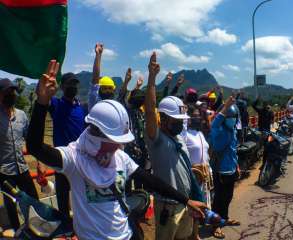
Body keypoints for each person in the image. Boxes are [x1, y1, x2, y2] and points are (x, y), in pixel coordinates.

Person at [26, 59, 207, 240]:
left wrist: (186, 200)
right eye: (115, 140)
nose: (120, 146)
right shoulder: (75, 158)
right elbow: (35, 147)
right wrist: (42, 103)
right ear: (98, 133)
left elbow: (151, 181)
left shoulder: (120, 157)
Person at [145, 52, 205, 240]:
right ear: (163, 119)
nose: (180, 124)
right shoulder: (157, 140)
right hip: (167, 207)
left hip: (186, 203)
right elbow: (149, 109)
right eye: (176, 120)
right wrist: (152, 79)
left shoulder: (179, 138)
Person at [0, 78, 39, 231]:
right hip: (4, 172)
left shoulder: (22, 115)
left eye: (13, 91)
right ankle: (18, 232)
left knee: (33, 200)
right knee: (10, 206)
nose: (12, 94)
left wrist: (39, 163)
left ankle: (35, 229)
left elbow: (31, 142)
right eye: (8, 92)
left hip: (22, 168)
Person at [48, 72, 87, 225]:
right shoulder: (56, 104)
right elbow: (43, 96)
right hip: (62, 160)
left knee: (82, 195)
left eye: (75, 84)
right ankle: (66, 226)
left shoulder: (82, 108)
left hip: (80, 161)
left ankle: (82, 224)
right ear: (62, 86)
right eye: (69, 84)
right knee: (63, 197)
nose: (73, 87)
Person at [210, 96, 241, 239]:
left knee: (228, 196)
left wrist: (237, 166)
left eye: (235, 117)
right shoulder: (219, 130)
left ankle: (225, 218)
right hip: (220, 171)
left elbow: (233, 151)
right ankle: (215, 225)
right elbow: (214, 124)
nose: (233, 119)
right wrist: (225, 109)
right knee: (219, 200)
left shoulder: (232, 130)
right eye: (230, 117)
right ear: (224, 118)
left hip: (231, 170)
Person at [117, 68, 151, 191]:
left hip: (141, 153)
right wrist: (126, 82)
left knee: (139, 184)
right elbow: (121, 97)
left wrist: (137, 87)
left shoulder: (139, 112)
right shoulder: (126, 110)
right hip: (129, 153)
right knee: (127, 183)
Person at [185, 105, 213, 240]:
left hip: (204, 174)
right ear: (188, 119)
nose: (197, 118)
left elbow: (205, 153)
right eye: (194, 116)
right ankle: (191, 234)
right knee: (193, 205)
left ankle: (195, 232)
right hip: (193, 175)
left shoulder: (200, 134)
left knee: (200, 204)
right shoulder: (184, 135)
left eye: (198, 116)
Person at [88, 43, 117, 111]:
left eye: (110, 88)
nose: (107, 91)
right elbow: (95, 79)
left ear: (113, 90)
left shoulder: (114, 105)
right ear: (99, 89)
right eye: (104, 88)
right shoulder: (95, 100)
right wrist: (98, 54)